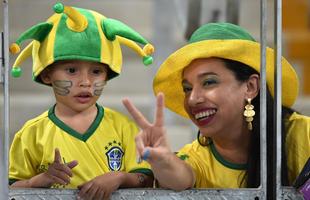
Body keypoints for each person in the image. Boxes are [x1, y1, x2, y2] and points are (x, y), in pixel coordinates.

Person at [122, 22, 310, 194]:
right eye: (187, 89)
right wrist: (162, 160)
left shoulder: (303, 133)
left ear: (251, 87)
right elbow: (179, 177)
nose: (193, 99)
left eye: (209, 82)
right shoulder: (196, 156)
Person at [9, 2, 155, 199]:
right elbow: (10, 190)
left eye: (96, 71)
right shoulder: (30, 134)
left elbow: (146, 179)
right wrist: (38, 181)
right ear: (46, 75)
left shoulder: (124, 127)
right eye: (71, 70)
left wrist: (119, 177)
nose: (85, 82)